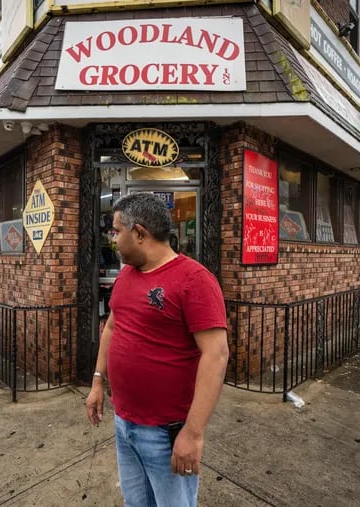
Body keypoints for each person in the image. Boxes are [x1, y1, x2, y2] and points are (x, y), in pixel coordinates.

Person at [85, 192, 229, 507]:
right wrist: (98, 381)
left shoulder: (194, 280)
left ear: (139, 233)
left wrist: (193, 433)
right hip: (124, 422)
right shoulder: (126, 275)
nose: (113, 239)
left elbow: (216, 355)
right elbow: (112, 326)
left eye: (116, 231)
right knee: (136, 502)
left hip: (165, 434)